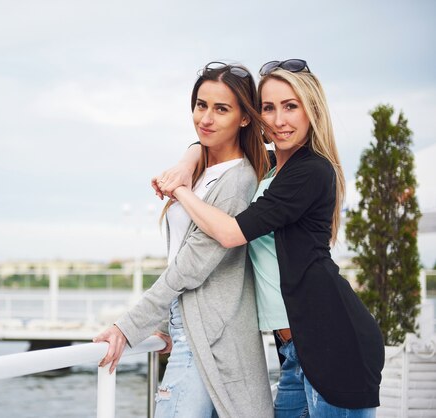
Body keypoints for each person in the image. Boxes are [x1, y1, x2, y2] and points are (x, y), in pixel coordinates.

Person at [153, 59, 385, 417]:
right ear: (256, 115)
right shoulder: (273, 166)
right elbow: (207, 139)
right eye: (269, 108)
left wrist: (181, 192)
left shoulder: (310, 170)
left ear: (312, 110)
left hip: (332, 341)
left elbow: (231, 233)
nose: (279, 120)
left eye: (291, 106)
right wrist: (187, 163)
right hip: (293, 351)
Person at [94, 62, 274, 418]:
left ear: (243, 118)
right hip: (187, 329)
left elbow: (191, 267)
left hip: (207, 338)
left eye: (221, 108)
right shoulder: (198, 171)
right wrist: (162, 327)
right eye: (201, 105)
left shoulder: (238, 182)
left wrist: (128, 327)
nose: (205, 117)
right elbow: (179, 256)